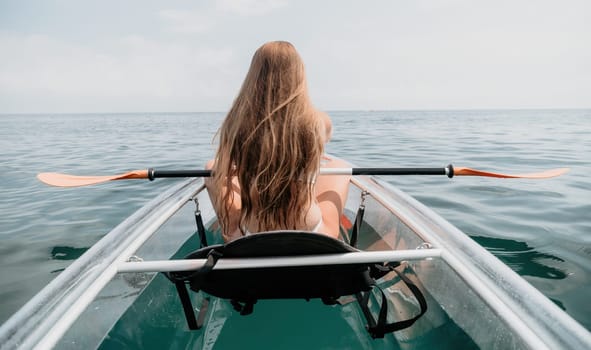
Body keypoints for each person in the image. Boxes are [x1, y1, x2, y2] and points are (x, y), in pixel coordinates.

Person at [205, 41, 350, 242]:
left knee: (214, 167)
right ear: (299, 75)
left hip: (252, 232)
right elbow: (325, 137)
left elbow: (228, 165)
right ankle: (332, 228)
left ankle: (231, 230)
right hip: (312, 230)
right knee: (339, 166)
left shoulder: (235, 123)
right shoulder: (318, 122)